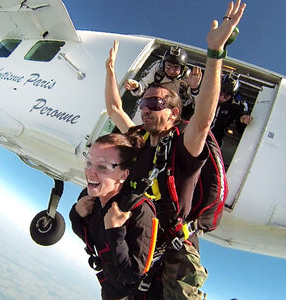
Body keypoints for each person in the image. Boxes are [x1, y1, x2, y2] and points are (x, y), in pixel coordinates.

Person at [104, 1, 246, 299]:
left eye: (155, 104)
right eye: (144, 104)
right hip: (143, 244)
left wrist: (215, 52)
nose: (145, 109)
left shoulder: (184, 147)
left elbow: (205, 118)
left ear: (174, 114)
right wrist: (110, 70)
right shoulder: (139, 140)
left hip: (176, 248)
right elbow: (115, 108)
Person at [69, 133, 163, 300]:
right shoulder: (90, 198)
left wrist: (116, 232)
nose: (91, 172)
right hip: (110, 288)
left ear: (123, 175)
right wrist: (75, 214)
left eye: (102, 167)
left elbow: (134, 274)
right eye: (89, 162)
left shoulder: (138, 211)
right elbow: (90, 237)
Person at [125, 46, 202, 119]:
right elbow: (143, 84)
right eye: (168, 66)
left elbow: (198, 107)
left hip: (173, 112)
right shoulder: (158, 67)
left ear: (182, 68)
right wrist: (136, 86)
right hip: (153, 103)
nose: (171, 71)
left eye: (176, 68)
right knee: (142, 105)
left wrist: (194, 87)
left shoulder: (188, 77)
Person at [211, 72, 252, 146]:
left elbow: (241, 126)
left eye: (226, 96)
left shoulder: (237, 103)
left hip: (214, 138)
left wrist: (242, 120)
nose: (221, 98)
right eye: (220, 93)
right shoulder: (209, 91)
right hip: (195, 128)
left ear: (232, 95)